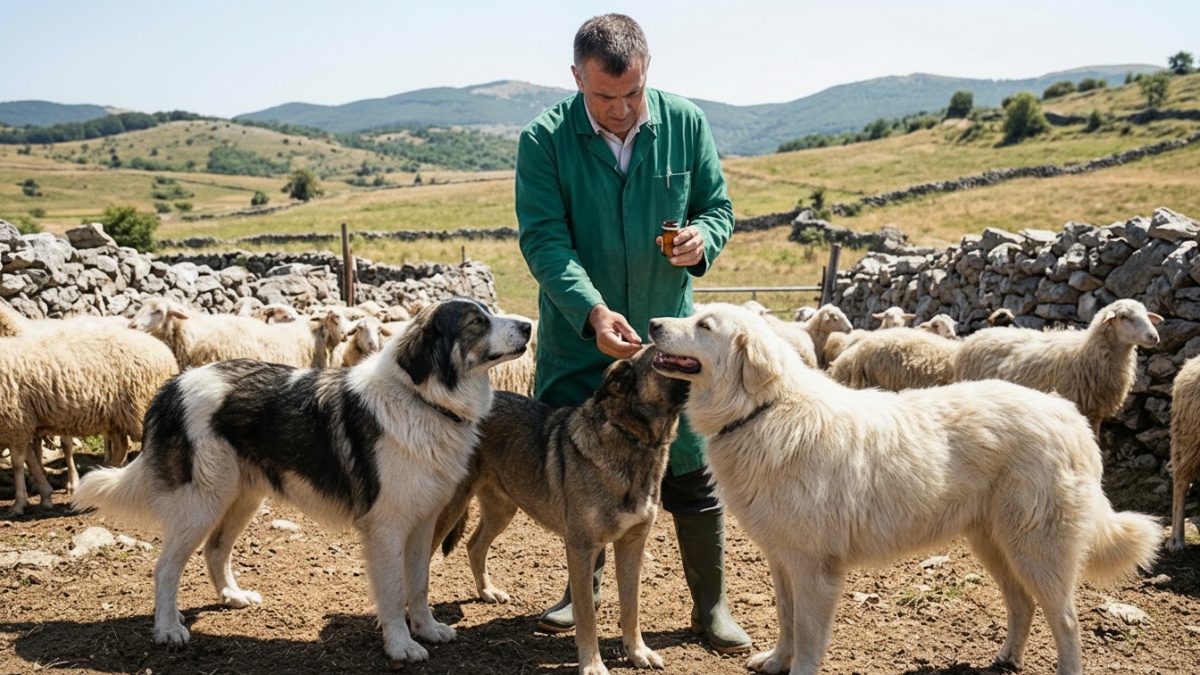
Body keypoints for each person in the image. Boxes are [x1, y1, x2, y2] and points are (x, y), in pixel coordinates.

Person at [514, 13, 751, 654]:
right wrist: (590, 310)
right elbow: (544, 239)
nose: (620, 111)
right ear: (575, 79)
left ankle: (711, 605)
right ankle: (578, 592)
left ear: (647, 71)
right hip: (579, 337)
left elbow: (718, 206)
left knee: (689, 469)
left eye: (632, 94)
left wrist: (706, 237)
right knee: (577, 467)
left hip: (671, 337)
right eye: (603, 97)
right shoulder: (544, 141)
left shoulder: (686, 123)